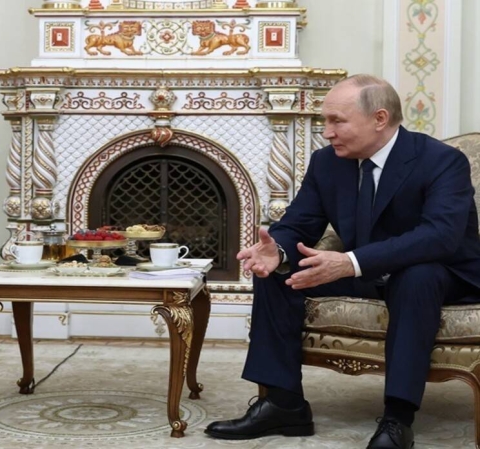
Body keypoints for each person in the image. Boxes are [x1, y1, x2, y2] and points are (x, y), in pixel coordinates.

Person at [204, 74, 480, 449]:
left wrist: (351, 261)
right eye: (325, 121)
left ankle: (397, 419)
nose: (327, 132)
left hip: (443, 274)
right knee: (278, 273)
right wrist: (278, 250)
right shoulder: (327, 163)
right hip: (365, 270)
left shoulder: (440, 161)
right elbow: (300, 223)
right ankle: (284, 404)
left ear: (379, 118)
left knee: (417, 275)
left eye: (337, 121)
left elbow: (439, 236)